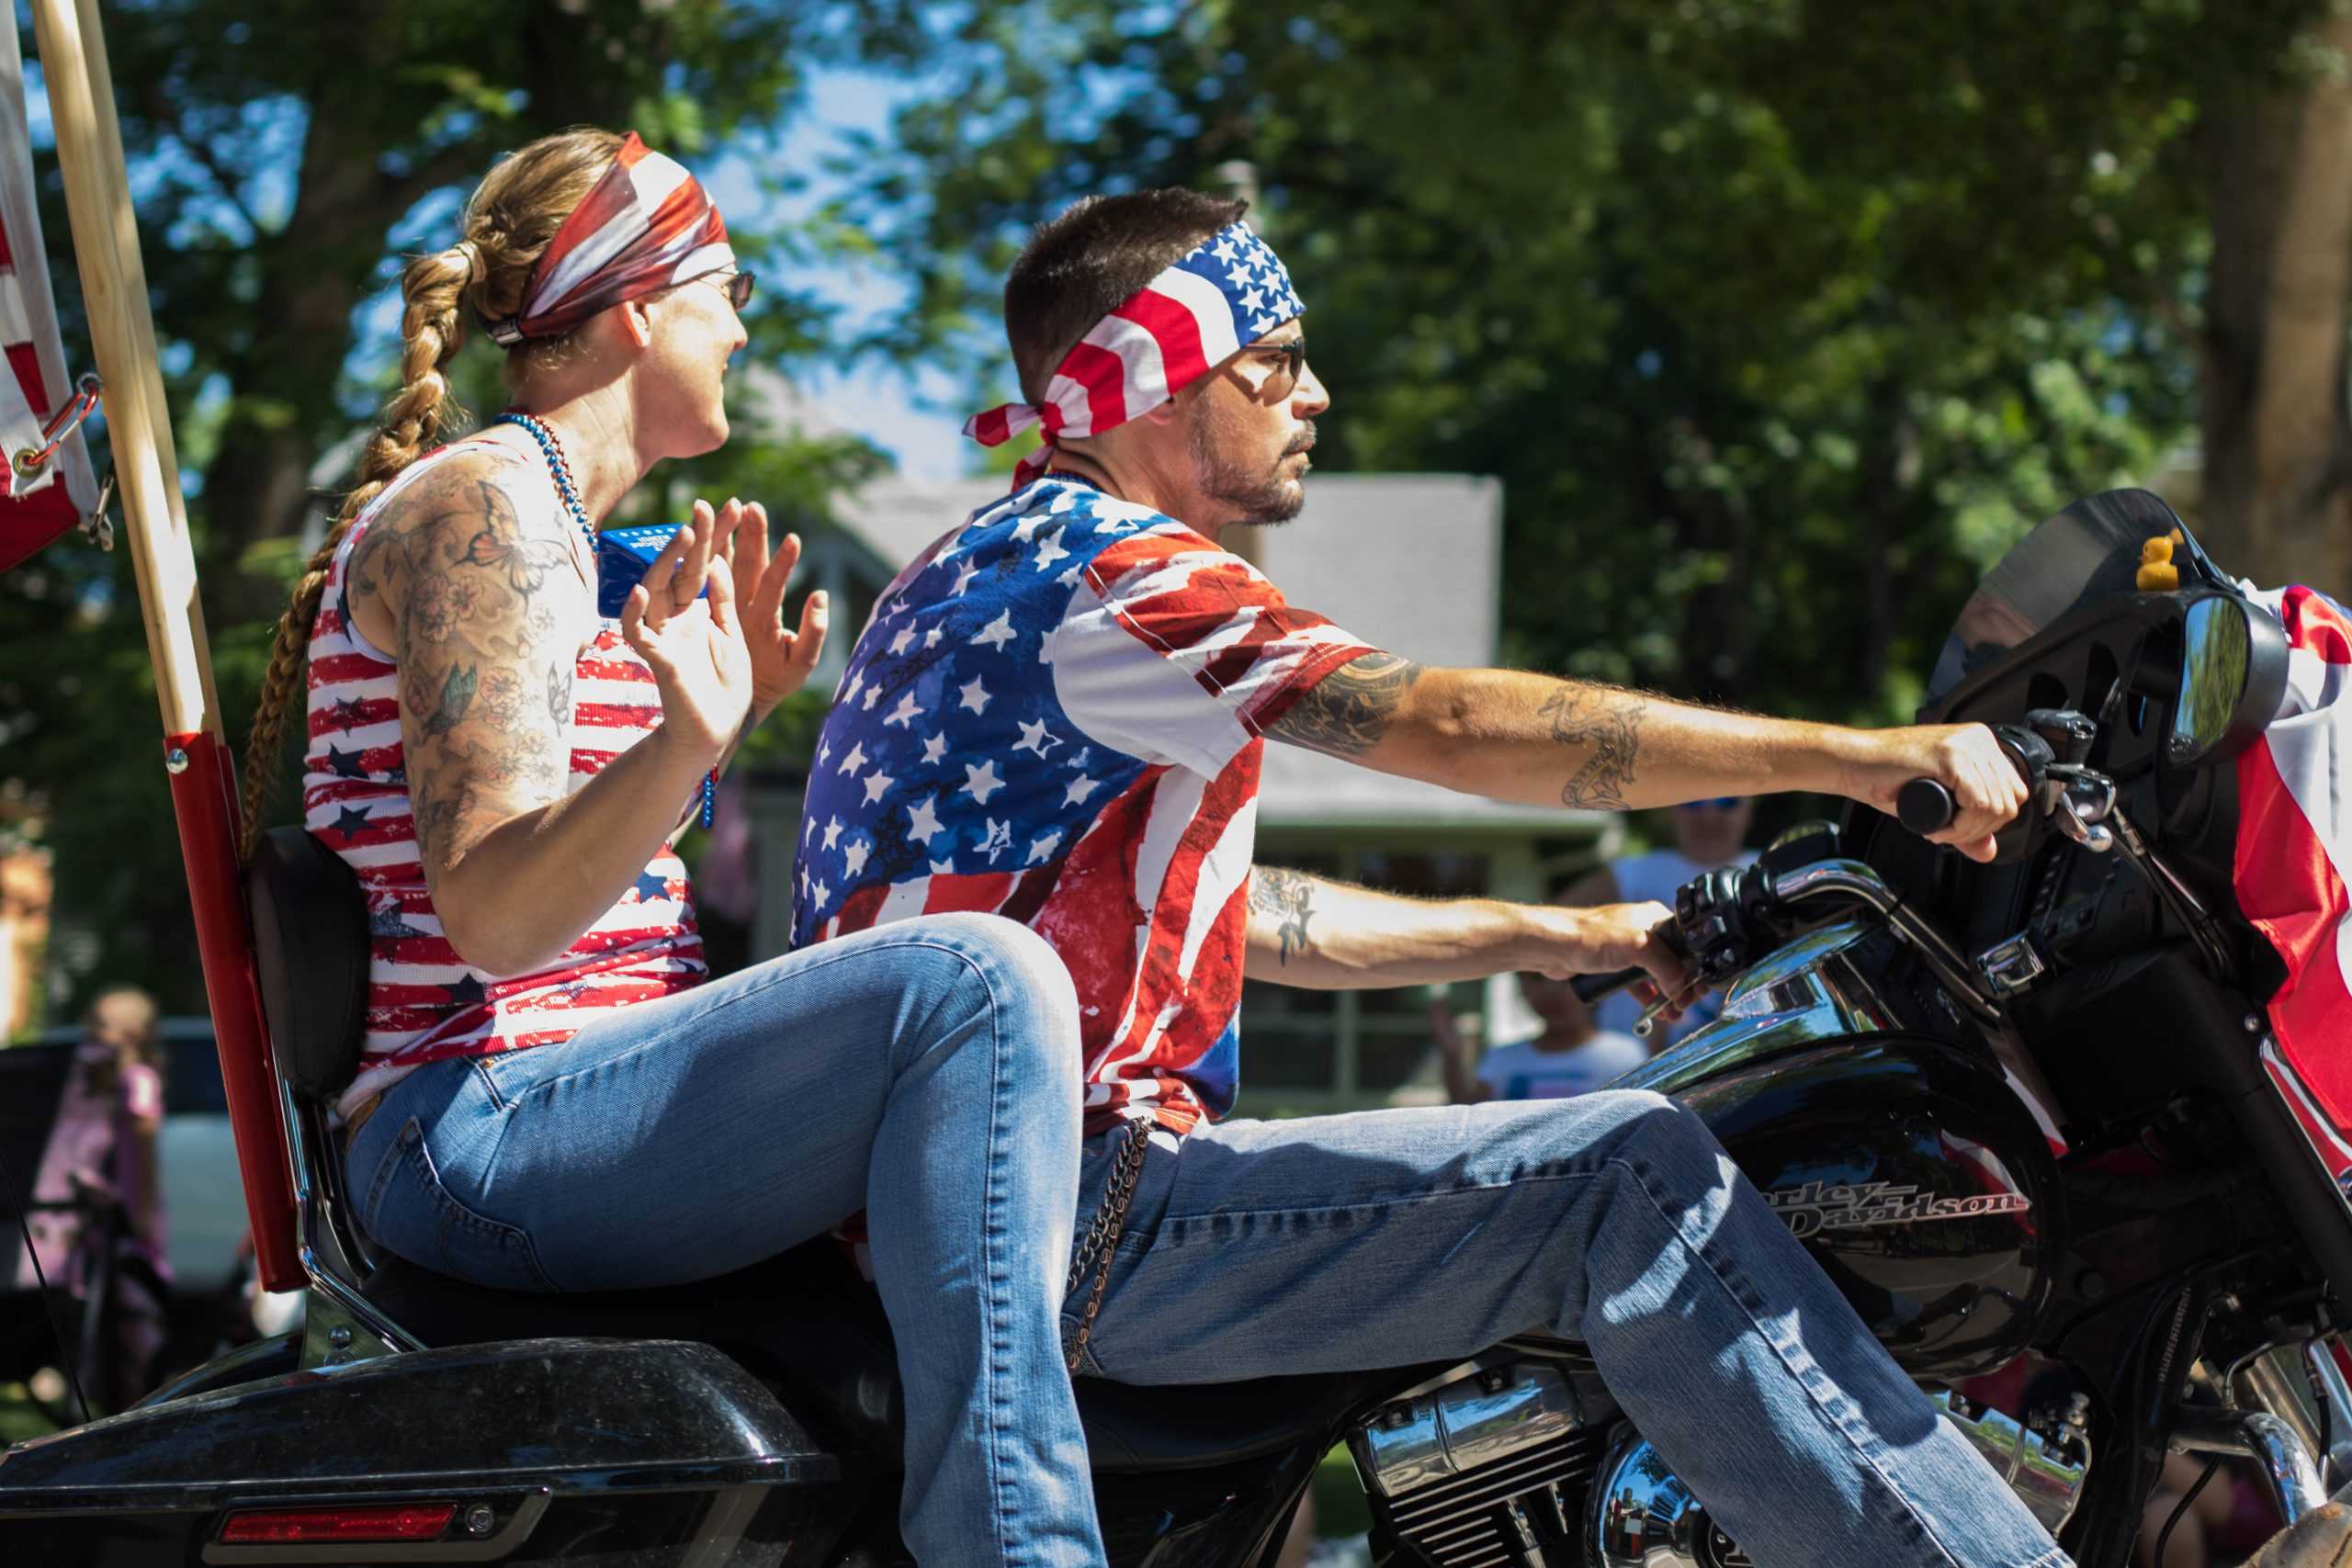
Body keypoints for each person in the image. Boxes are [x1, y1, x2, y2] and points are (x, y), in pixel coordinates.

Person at [792, 188, 2064, 1568]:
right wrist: (1865, 755)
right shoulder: (1121, 575)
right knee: (1626, 1170)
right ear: (1150, 379)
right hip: (1083, 1214)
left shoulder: (964, 570)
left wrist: (1562, 930)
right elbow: (1449, 724)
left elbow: (1255, 916)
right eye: (1270, 361)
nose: (1315, 394)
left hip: (959, 1215)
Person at [237, 130, 1102, 1565]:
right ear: (635, 307)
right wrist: (682, 744)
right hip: (471, 1128)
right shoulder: (487, 510)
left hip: (545, 1108)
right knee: (978, 981)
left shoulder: (568, 538)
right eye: (729, 285)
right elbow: (498, 914)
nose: (745, 324)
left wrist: (712, 719)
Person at [1561, 794, 1758, 1044]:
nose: (1709, 815)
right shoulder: (1634, 872)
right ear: (1671, 811)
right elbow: (1563, 932)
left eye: (1727, 802)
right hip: (1631, 1055)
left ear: (1749, 811)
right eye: (1692, 802)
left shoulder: (1765, 870)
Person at [1433, 967, 1647, 1104]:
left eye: (1567, 978)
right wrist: (1452, 1057)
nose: (1551, 990)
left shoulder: (1624, 1056)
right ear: (1521, 987)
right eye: (1537, 977)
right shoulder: (1502, 1057)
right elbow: (1470, 1114)